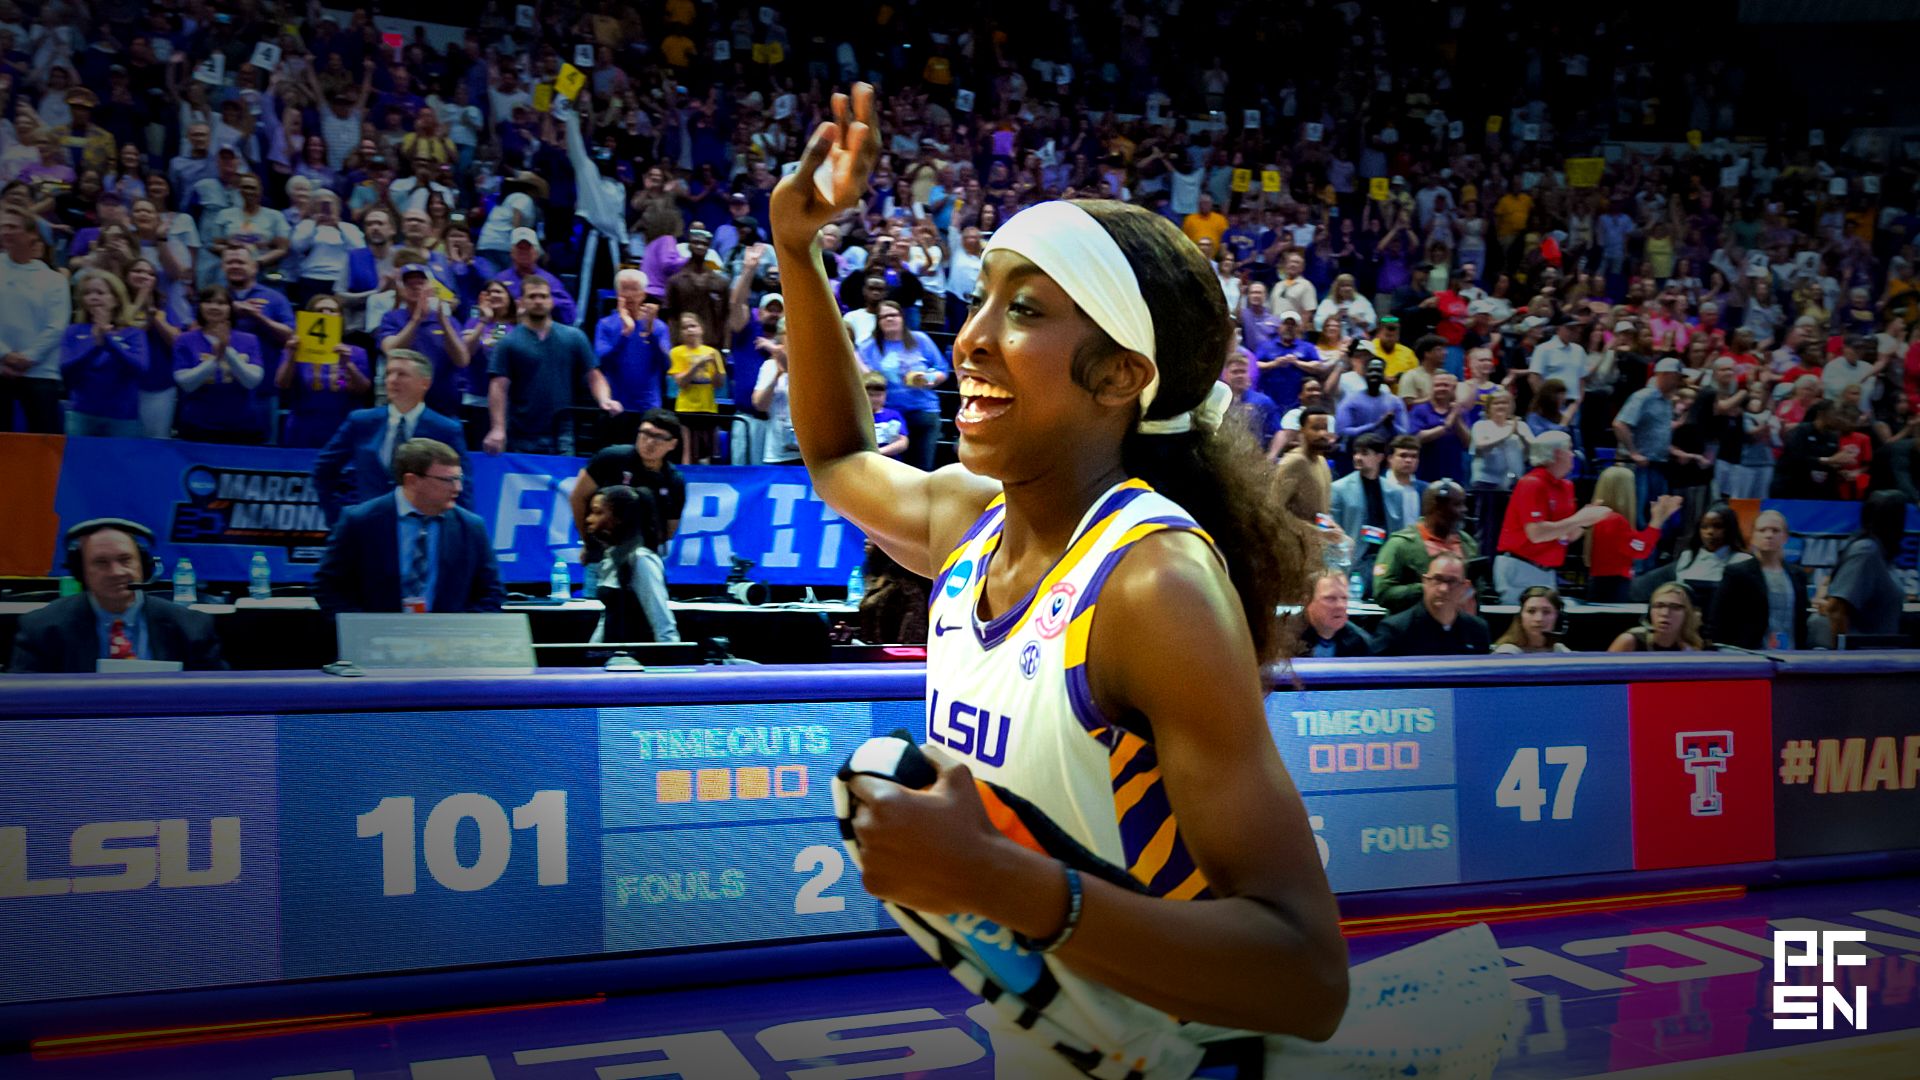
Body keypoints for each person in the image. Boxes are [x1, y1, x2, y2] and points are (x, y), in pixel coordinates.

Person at [771, 88, 1365, 1074]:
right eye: (982, 299)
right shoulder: (970, 521)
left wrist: (1002, 882)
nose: (971, 338)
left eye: (1025, 310)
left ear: (1120, 375)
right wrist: (799, 252)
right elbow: (837, 457)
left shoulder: (1151, 585)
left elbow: (1307, 977)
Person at [313, 438, 504, 615]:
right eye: (448, 480)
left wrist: (461, 631)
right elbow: (328, 586)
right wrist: (360, 627)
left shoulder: (471, 527)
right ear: (412, 481)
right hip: (376, 637)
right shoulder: (360, 522)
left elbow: (492, 592)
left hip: (448, 638)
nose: (458, 488)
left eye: (459, 478)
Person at [9, 519, 225, 673]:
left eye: (125, 560)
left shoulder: (190, 626)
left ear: (143, 565)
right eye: (101, 562)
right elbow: (20, 702)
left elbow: (220, 698)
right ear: (81, 571)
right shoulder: (42, 628)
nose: (116, 572)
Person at [312, 351, 469, 523]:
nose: (392, 380)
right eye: (389, 373)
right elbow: (323, 470)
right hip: (368, 527)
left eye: (402, 374)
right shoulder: (361, 422)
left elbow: (462, 486)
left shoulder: (445, 429)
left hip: (424, 528)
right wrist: (337, 519)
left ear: (425, 383)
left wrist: (459, 530)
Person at [484, 276, 619, 455]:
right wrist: (497, 428)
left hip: (563, 433)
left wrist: (604, 399)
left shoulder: (574, 337)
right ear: (521, 302)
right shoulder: (508, 342)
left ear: (552, 301)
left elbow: (594, 375)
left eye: (543, 296)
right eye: (532, 296)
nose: (538, 301)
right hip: (521, 431)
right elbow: (498, 387)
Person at [1494, 430, 1611, 602]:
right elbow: (1536, 534)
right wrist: (1579, 518)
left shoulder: (1567, 486)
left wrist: (1587, 521)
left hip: (1548, 571)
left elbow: (1568, 535)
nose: (1573, 454)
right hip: (1521, 566)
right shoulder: (1531, 483)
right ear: (1557, 453)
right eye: (1569, 449)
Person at [570, 408, 688, 576]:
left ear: (673, 444)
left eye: (659, 437)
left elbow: (669, 530)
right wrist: (588, 542)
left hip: (645, 560)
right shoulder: (610, 458)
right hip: (602, 557)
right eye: (645, 433)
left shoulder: (674, 480)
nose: (650, 442)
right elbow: (578, 498)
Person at [857, 299, 952, 470]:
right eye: (884, 317)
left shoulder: (920, 339)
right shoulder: (868, 347)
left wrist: (926, 379)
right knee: (889, 470)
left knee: (922, 469)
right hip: (889, 416)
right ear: (878, 322)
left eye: (894, 315)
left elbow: (942, 370)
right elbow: (862, 376)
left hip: (923, 411)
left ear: (902, 317)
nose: (889, 319)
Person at [1, 204, 71, 432]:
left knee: (44, 441)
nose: (6, 232)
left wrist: (28, 358)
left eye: (13, 227)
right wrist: (5, 355)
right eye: (3, 227)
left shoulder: (54, 280)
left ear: (32, 234)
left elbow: (56, 326)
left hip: (41, 373)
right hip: (0, 369)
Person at [172, 286, 269, 444]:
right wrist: (216, 359)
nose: (214, 307)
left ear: (230, 308)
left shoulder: (249, 340)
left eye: (221, 303)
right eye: (208, 302)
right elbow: (186, 384)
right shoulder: (185, 340)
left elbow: (252, 381)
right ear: (199, 306)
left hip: (243, 427)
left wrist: (227, 351)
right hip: (198, 426)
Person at [276, 293, 373, 448]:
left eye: (332, 310)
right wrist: (291, 356)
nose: (325, 314)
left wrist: (347, 365)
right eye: (319, 310)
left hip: (342, 426)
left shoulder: (355, 352)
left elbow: (362, 390)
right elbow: (282, 384)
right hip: (303, 427)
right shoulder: (295, 350)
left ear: (341, 318)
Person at [586, 484, 679, 644]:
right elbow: (608, 618)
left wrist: (670, 656)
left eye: (598, 512)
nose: (589, 519)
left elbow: (663, 624)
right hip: (611, 656)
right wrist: (591, 651)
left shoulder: (641, 560)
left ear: (619, 518)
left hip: (637, 657)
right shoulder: (610, 558)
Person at [61, 270, 149, 437]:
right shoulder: (73, 331)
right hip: (82, 414)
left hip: (122, 417)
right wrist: (95, 346)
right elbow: (66, 369)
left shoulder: (133, 333)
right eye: (88, 293)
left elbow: (140, 368)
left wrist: (108, 341)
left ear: (115, 299)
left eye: (100, 293)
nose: (93, 297)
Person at [377, 263, 471, 418]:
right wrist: (416, 320)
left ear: (431, 287)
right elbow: (391, 351)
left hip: (446, 405)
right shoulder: (392, 318)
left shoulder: (449, 321)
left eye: (420, 283)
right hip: (405, 404)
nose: (415, 287)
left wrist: (444, 322)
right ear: (401, 289)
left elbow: (462, 359)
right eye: (409, 284)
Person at [1817, 490, 1911, 645]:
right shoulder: (1866, 551)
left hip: (1882, 652)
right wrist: (1841, 654)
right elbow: (1836, 609)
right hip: (1863, 653)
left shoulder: (1882, 552)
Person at [1373, 480, 1479, 614]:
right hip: (1414, 624)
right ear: (1437, 507)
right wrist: (1429, 587)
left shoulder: (1468, 543)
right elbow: (1383, 593)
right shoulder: (1400, 544)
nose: (1464, 510)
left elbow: (1478, 590)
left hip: (1460, 624)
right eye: (1457, 504)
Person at [1710, 509, 1809, 650]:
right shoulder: (1737, 573)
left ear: (1785, 537)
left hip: (1792, 654)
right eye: (1762, 530)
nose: (1769, 535)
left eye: (1775, 530)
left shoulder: (1798, 575)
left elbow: (1802, 621)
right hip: (1749, 654)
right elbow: (1719, 618)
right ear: (1753, 536)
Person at [1585, 466, 1684, 603]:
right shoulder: (1614, 520)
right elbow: (1640, 549)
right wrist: (1657, 520)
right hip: (1612, 587)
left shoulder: (1601, 517)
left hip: (1604, 584)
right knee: (1674, 570)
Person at [1369, 553, 1491, 656]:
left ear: (1464, 587)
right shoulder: (1395, 631)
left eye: (1452, 581)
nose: (1444, 589)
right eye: (1437, 579)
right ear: (1425, 582)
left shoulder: (1477, 630)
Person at [1328, 433, 1404, 598]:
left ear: (1379, 457)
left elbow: (1399, 532)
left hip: (1385, 559)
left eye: (1364, 453)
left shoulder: (1395, 492)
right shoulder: (1339, 488)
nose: (1357, 457)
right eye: (1356, 452)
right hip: (1355, 560)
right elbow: (1331, 532)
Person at [596, 268, 672, 415]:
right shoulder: (605, 324)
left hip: (649, 405)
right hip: (615, 404)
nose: (629, 294)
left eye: (634, 289)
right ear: (617, 293)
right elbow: (602, 363)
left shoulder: (658, 326)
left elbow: (666, 365)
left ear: (643, 294)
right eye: (624, 289)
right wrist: (624, 335)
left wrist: (651, 334)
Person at [667, 310, 727, 463]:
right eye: (685, 327)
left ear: (701, 328)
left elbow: (719, 384)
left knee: (708, 452)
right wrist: (697, 366)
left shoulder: (712, 352)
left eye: (693, 326)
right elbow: (681, 383)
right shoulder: (676, 352)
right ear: (681, 332)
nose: (689, 330)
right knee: (687, 452)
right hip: (685, 409)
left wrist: (715, 366)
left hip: (708, 408)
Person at [1275, 404, 1335, 523]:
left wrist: (1332, 527)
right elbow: (1274, 509)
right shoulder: (1293, 462)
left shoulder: (1322, 461)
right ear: (1302, 430)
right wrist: (1307, 530)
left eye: (1325, 428)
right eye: (1316, 428)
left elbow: (1323, 512)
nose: (1322, 434)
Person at [1608, 582, 1707, 652]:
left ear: (1688, 614)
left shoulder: (1690, 648)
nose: (1665, 613)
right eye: (1659, 606)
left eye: (1675, 607)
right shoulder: (1629, 641)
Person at [1673, 503, 1753, 587]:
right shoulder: (1687, 557)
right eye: (1704, 527)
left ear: (1729, 529)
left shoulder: (1744, 560)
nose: (1710, 532)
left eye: (1718, 526)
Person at [1299, 566, 1372, 657]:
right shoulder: (1286, 638)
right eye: (1330, 598)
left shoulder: (1359, 642)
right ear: (1307, 601)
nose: (1340, 605)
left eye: (1344, 598)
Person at [1491, 586, 1573, 654]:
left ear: (1557, 617)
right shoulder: (1507, 652)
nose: (1539, 619)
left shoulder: (1559, 650)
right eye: (1531, 611)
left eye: (1546, 612)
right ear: (1520, 616)